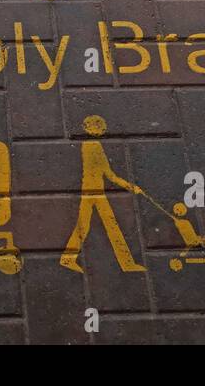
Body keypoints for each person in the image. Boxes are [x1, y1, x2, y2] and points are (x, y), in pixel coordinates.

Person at [61, 115, 146, 273]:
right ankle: (126, 263)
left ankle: (68, 258)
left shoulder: (93, 145)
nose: (98, 130)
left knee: (96, 225)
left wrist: (130, 186)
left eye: (99, 127)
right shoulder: (92, 146)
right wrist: (130, 186)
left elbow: (108, 174)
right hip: (92, 192)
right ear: (88, 128)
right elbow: (108, 174)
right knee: (106, 225)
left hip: (94, 191)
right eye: (95, 127)